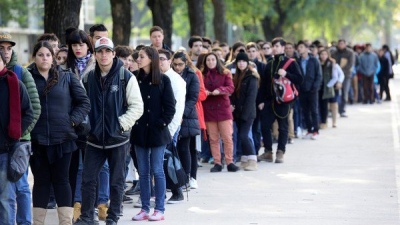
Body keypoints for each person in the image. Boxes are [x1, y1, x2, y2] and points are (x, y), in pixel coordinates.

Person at [73, 37, 143, 225]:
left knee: (116, 181)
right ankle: (87, 216)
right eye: (100, 51)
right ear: (94, 55)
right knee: (88, 180)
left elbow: (137, 107)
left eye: (107, 51)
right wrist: (86, 124)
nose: (104, 55)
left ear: (113, 54)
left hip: (117, 139)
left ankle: (113, 216)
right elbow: (81, 105)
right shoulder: (87, 78)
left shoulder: (125, 77)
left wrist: (119, 125)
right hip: (94, 140)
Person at [29, 41, 90, 225]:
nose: (44, 58)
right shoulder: (27, 77)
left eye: (48, 55)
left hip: (63, 139)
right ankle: (38, 222)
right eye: (40, 55)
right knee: (41, 182)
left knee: (62, 181)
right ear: (35, 57)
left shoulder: (67, 76)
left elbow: (84, 102)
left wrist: (71, 121)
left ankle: (65, 222)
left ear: (53, 57)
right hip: (37, 141)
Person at [0, 31, 41, 224]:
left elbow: (33, 108)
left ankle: (25, 222)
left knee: (21, 187)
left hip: (17, 143)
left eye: (9, 48)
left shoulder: (19, 73)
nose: (6, 52)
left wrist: (17, 134)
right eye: (1, 48)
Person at [131, 46, 175, 221]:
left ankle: (160, 209)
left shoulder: (163, 80)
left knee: (157, 170)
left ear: (151, 58)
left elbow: (170, 108)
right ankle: (144, 208)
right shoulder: (134, 79)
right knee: (142, 171)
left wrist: (160, 124)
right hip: (139, 131)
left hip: (157, 133)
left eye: (141, 56)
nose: (138, 59)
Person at [257, 37, 303, 163]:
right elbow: (264, 84)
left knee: (283, 127)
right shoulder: (270, 64)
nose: (274, 48)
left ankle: (280, 152)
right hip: (269, 101)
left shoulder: (291, 62)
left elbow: (299, 79)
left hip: (284, 101)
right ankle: (268, 152)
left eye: (277, 46)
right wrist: (261, 100)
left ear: (283, 48)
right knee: (265, 126)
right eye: (273, 46)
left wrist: (286, 74)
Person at [168, 51, 200, 203]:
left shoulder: (192, 76)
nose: (177, 67)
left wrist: (182, 114)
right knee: (175, 149)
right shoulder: (170, 74)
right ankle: (177, 178)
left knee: (185, 148)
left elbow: (193, 97)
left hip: (187, 117)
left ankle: (186, 177)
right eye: (175, 64)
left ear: (185, 63)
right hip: (173, 115)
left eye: (180, 64)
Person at [201, 52, 239, 172]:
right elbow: (199, 89)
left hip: (223, 109)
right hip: (209, 110)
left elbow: (230, 87)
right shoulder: (202, 75)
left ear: (217, 60)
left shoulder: (225, 73)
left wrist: (220, 90)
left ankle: (229, 161)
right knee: (213, 139)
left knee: (227, 137)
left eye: (213, 59)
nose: (210, 62)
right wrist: (205, 92)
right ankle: (217, 162)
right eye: (208, 60)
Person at [231, 51, 259, 171]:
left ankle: (253, 160)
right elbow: (234, 94)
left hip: (247, 113)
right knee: (241, 135)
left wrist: (244, 114)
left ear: (247, 63)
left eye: (243, 61)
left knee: (244, 135)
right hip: (237, 112)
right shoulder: (236, 76)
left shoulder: (252, 77)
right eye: (239, 61)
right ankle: (245, 159)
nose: (241, 64)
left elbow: (250, 98)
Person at [296, 41, 322, 139]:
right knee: (305, 111)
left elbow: (319, 75)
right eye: (299, 47)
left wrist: (315, 87)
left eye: (302, 47)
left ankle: (316, 130)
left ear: (307, 49)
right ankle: (309, 130)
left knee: (314, 110)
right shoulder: (297, 61)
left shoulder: (314, 60)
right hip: (302, 90)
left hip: (313, 90)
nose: (299, 49)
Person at [331, 39, 355, 117]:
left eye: (342, 43)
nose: (341, 45)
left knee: (345, 92)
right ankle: (334, 109)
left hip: (346, 75)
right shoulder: (334, 53)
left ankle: (342, 110)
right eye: (339, 43)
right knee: (334, 93)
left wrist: (341, 71)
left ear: (345, 44)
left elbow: (350, 64)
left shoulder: (350, 53)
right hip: (335, 76)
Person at [318, 49, 341, 128]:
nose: (323, 56)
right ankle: (321, 121)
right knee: (320, 105)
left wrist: (328, 85)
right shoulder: (317, 63)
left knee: (329, 105)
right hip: (319, 87)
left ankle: (326, 122)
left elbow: (336, 76)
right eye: (321, 54)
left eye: (325, 54)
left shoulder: (331, 64)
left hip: (328, 88)